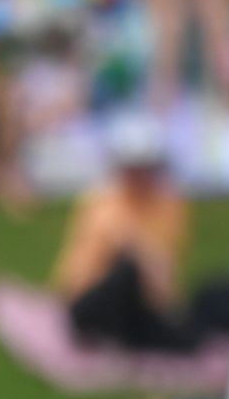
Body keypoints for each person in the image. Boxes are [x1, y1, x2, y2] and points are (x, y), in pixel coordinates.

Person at [53, 113, 196, 352]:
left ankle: (126, 336)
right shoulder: (103, 202)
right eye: (134, 167)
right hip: (92, 297)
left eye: (146, 167)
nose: (140, 175)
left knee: (186, 338)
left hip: (141, 300)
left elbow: (166, 265)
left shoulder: (170, 206)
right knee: (127, 269)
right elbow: (117, 253)